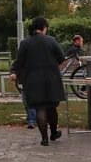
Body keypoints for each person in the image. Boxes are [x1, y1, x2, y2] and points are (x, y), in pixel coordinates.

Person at [10, 16, 65, 145]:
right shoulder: (51, 41)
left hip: (33, 80)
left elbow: (19, 62)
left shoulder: (25, 43)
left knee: (40, 108)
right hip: (51, 79)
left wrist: (14, 73)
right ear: (44, 27)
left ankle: (44, 138)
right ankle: (54, 133)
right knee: (51, 107)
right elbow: (61, 58)